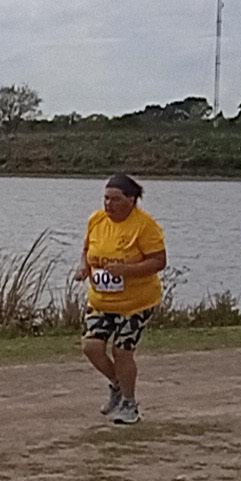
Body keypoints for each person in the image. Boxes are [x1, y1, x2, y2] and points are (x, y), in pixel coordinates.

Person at [73, 174, 168, 425]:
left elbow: (159, 261)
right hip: (101, 301)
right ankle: (118, 385)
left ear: (131, 200)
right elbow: (87, 250)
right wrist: (84, 268)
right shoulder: (96, 220)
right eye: (106, 198)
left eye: (115, 199)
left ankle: (129, 404)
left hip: (136, 303)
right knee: (91, 346)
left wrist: (126, 270)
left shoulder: (145, 226)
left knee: (122, 350)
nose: (108, 204)